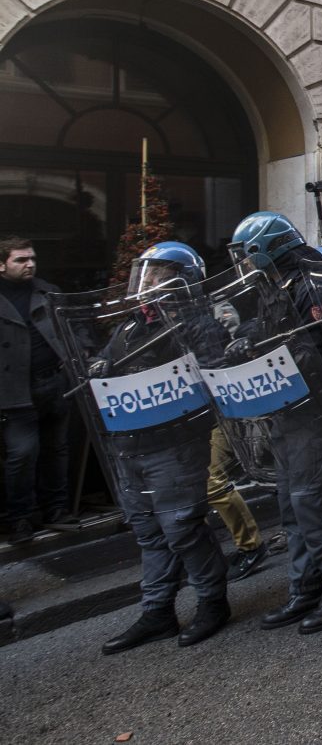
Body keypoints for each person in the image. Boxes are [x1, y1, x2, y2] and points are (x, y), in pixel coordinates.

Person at [70, 242, 231, 653]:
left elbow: (213, 369)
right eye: (146, 274)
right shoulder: (130, 325)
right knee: (148, 531)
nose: (148, 283)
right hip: (130, 443)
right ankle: (157, 610)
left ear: (181, 281)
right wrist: (99, 367)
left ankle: (212, 602)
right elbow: (108, 360)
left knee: (182, 527)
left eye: (158, 275)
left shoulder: (195, 323)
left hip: (175, 442)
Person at [226, 212, 322, 634]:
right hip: (288, 413)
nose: (245, 265)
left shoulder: (313, 280)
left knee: (312, 506)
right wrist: (247, 340)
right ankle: (305, 587)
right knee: (291, 506)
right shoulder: (276, 286)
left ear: (266, 248)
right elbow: (275, 329)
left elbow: (321, 345)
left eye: (247, 255)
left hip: (318, 412)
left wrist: (267, 349)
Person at [1, 236, 72, 545]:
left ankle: (56, 508)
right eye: (20, 259)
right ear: (1, 264)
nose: (29, 263)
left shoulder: (48, 291)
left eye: (31, 258)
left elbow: (70, 331)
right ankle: (20, 517)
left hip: (53, 382)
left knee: (56, 449)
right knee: (22, 454)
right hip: (14, 388)